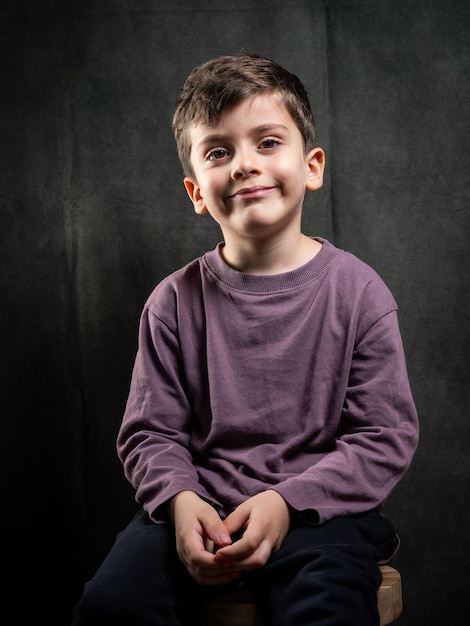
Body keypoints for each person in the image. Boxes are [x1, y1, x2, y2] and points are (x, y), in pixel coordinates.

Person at [72, 52, 419, 626]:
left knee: (327, 612)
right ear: (196, 192)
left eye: (266, 142)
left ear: (311, 166)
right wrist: (182, 504)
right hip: (199, 508)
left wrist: (285, 502)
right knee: (111, 607)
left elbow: (383, 438)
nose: (243, 165)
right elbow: (150, 432)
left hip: (322, 515)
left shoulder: (360, 294)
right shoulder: (172, 303)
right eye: (218, 151)